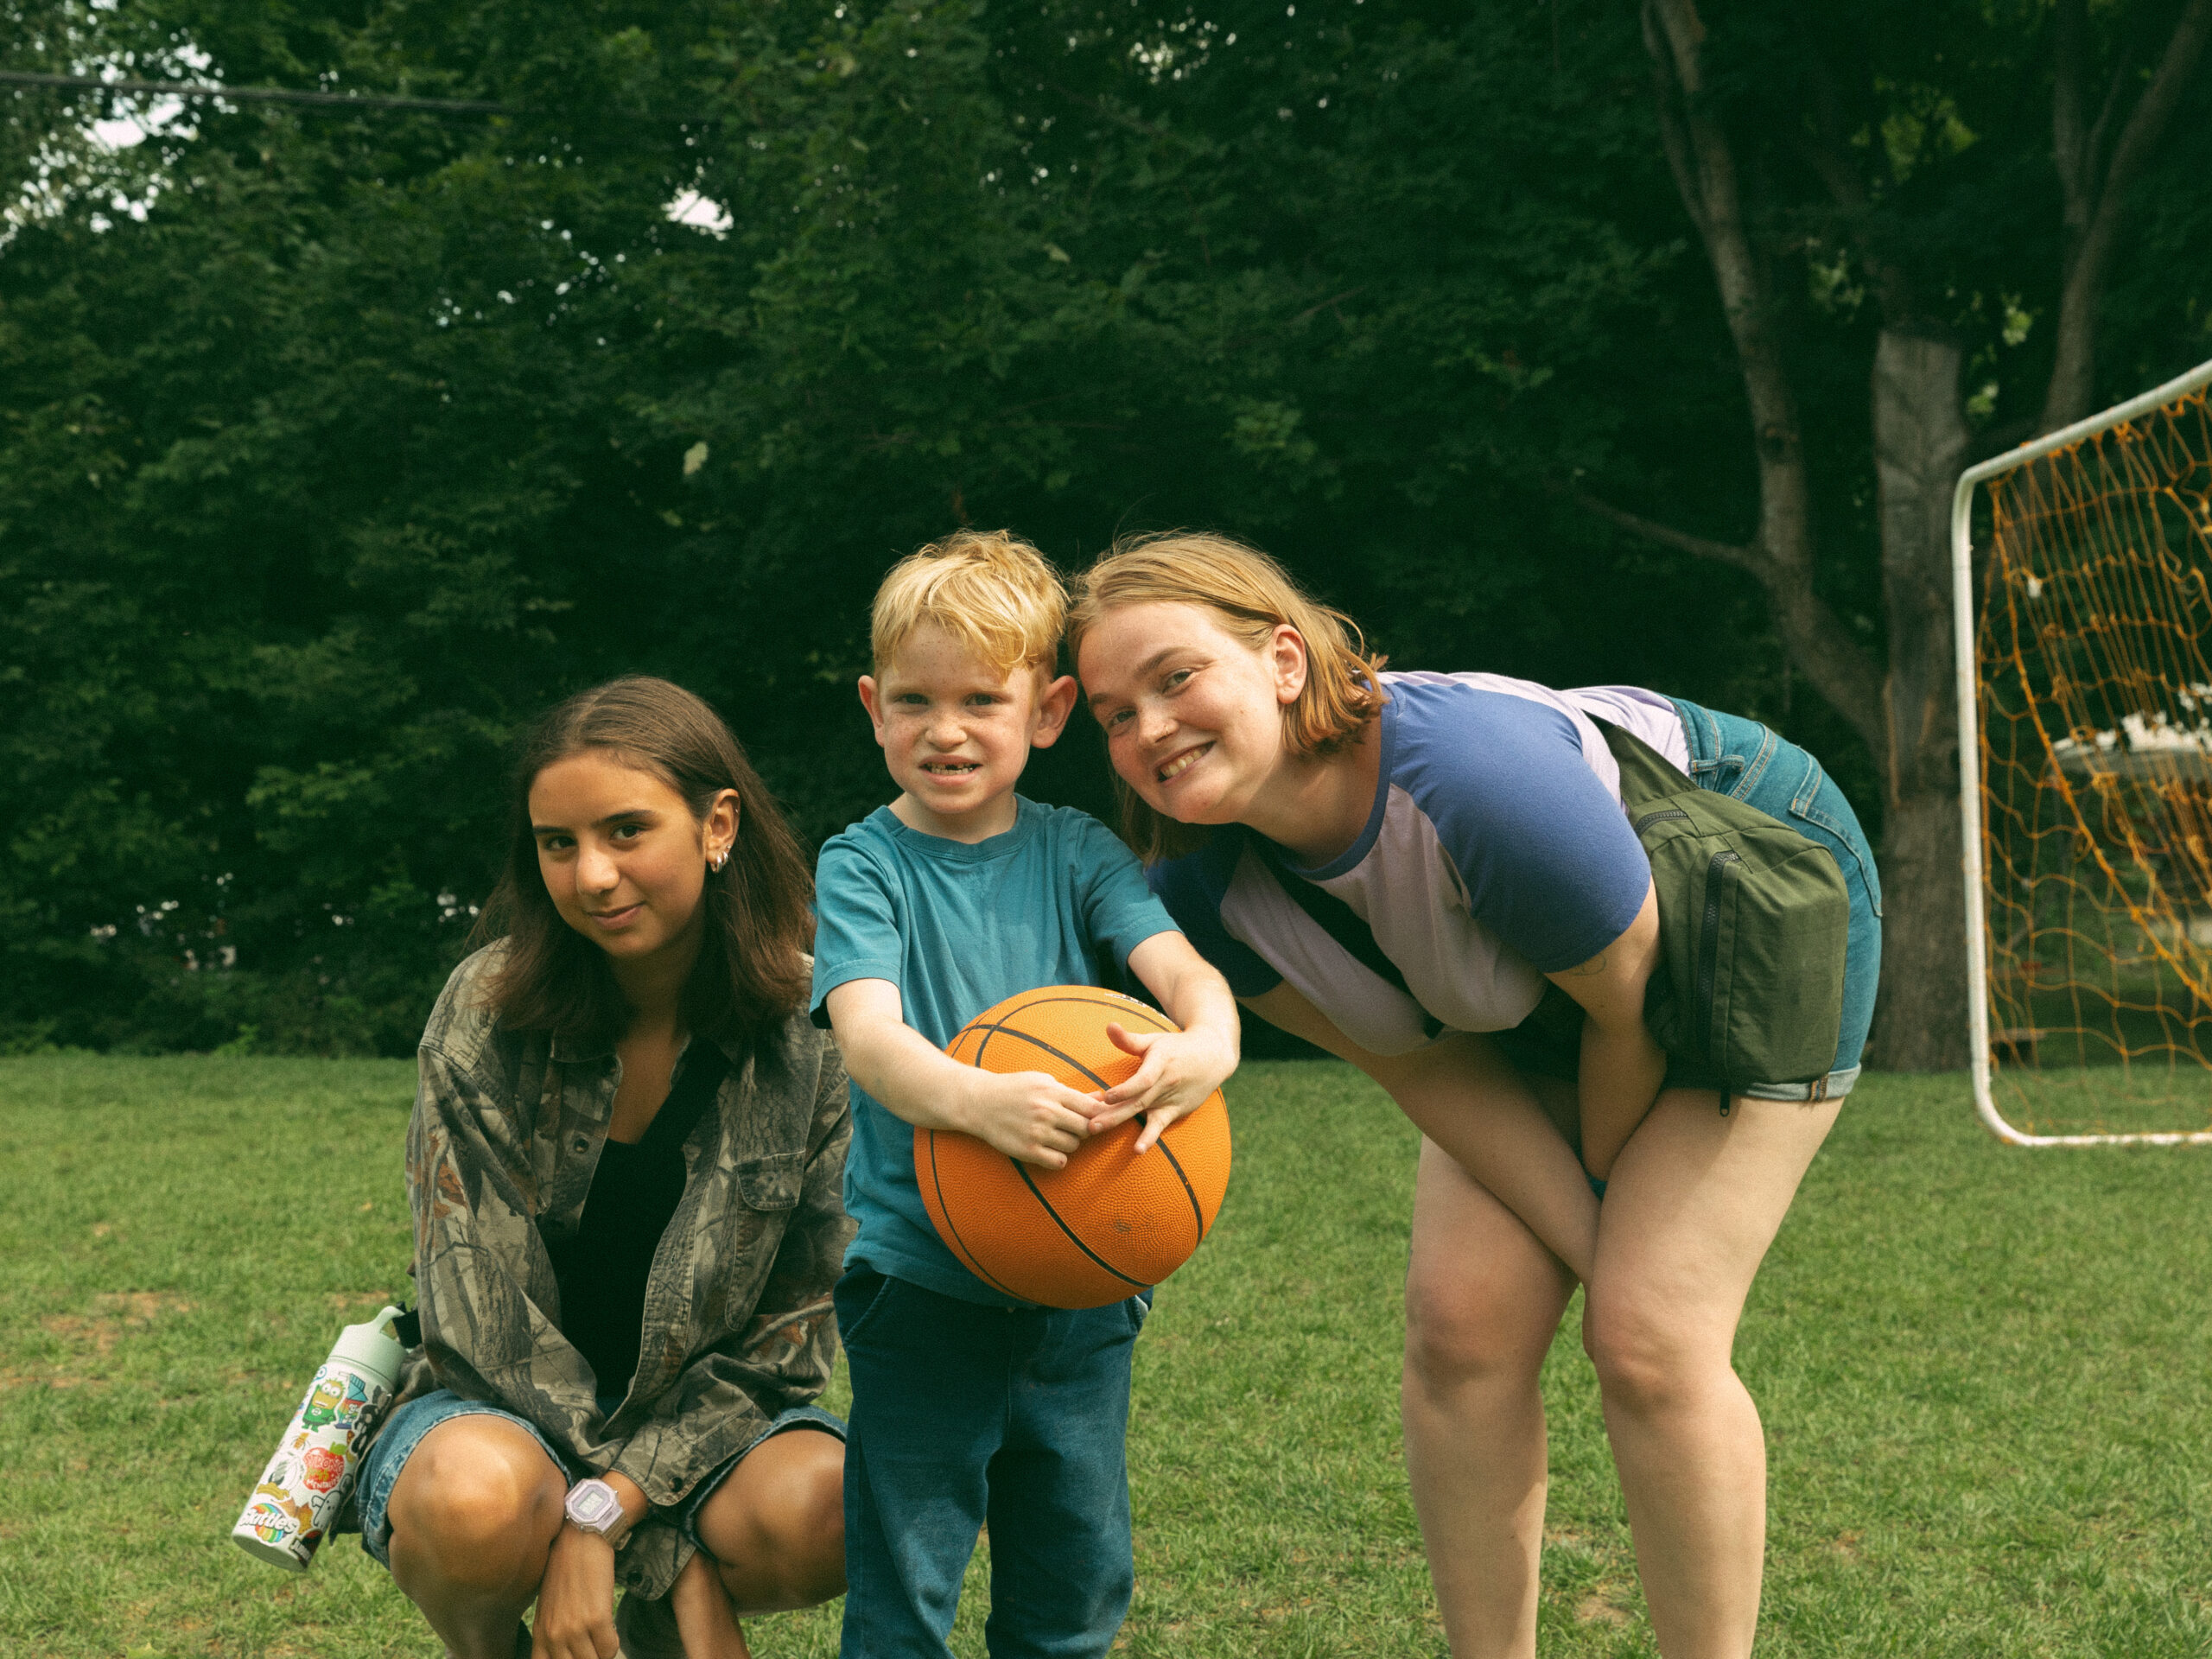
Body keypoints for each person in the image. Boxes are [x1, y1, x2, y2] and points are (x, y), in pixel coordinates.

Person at [1069, 533, 1882, 1659]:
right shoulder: (1201, 894)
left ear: (1286, 662)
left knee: (1649, 1340)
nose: (1148, 728)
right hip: (1565, 977)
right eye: (1113, 713)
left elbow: (1627, 1010)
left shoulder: (1475, 781)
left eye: (1176, 677)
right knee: (1462, 1334)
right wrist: (1597, 1233)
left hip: (1742, 883)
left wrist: (1623, 1264)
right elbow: (1422, 1066)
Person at [357, 677, 853, 1659]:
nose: (591, 875)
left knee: (835, 1506)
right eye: (558, 843)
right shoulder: (487, 1008)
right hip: (498, 1417)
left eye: (627, 831)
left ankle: (644, 1589)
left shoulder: (821, 1027)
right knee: (471, 1500)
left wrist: (616, 1514)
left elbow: (794, 1333)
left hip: (715, 1433)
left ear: (718, 825)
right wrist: (611, 1513)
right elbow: (478, 1316)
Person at [811, 530, 1241, 1659]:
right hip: (920, 1287)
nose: (945, 730)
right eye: (914, 699)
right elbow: (870, 1037)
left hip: (1083, 1280)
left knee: (1076, 1577)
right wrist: (975, 1102)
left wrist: (1207, 1043)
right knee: (906, 1580)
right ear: (873, 707)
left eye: (980, 701)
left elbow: (1184, 974)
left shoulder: (1082, 853)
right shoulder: (862, 865)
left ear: (1046, 713)